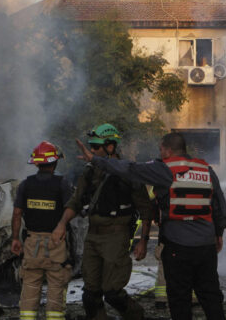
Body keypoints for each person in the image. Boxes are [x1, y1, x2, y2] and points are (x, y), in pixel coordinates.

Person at [76, 132, 226, 320]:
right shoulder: (206, 169)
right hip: (205, 246)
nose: (160, 153)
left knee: (179, 298)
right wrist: (219, 233)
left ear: (167, 150)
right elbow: (220, 207)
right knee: (211, 296)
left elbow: (130, 169)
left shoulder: (164, 169)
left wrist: (95, 160)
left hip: (178, 245)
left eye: (160, 149)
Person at [51, 124, 153, 320]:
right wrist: (61, 224)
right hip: (93, 235)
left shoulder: (128, 172)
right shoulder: (90, 172)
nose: (92, 151)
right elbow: (76, 200)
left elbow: (145, 210)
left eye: (96, 147)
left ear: (111, 147)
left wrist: (143, 241)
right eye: (92, 147)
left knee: (113, 291)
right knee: (90, 293)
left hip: (117, 235)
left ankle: (136, 316)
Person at [12, 141, 73, 320]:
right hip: (56, 242)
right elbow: (71, 209)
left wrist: (15, 239)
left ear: (37, 163)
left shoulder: (26, 185)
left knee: (30, 286)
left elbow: (17, 214)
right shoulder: (62, 184)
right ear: (54, 163)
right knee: (56, 286)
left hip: (32, 244)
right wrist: (61, 224)